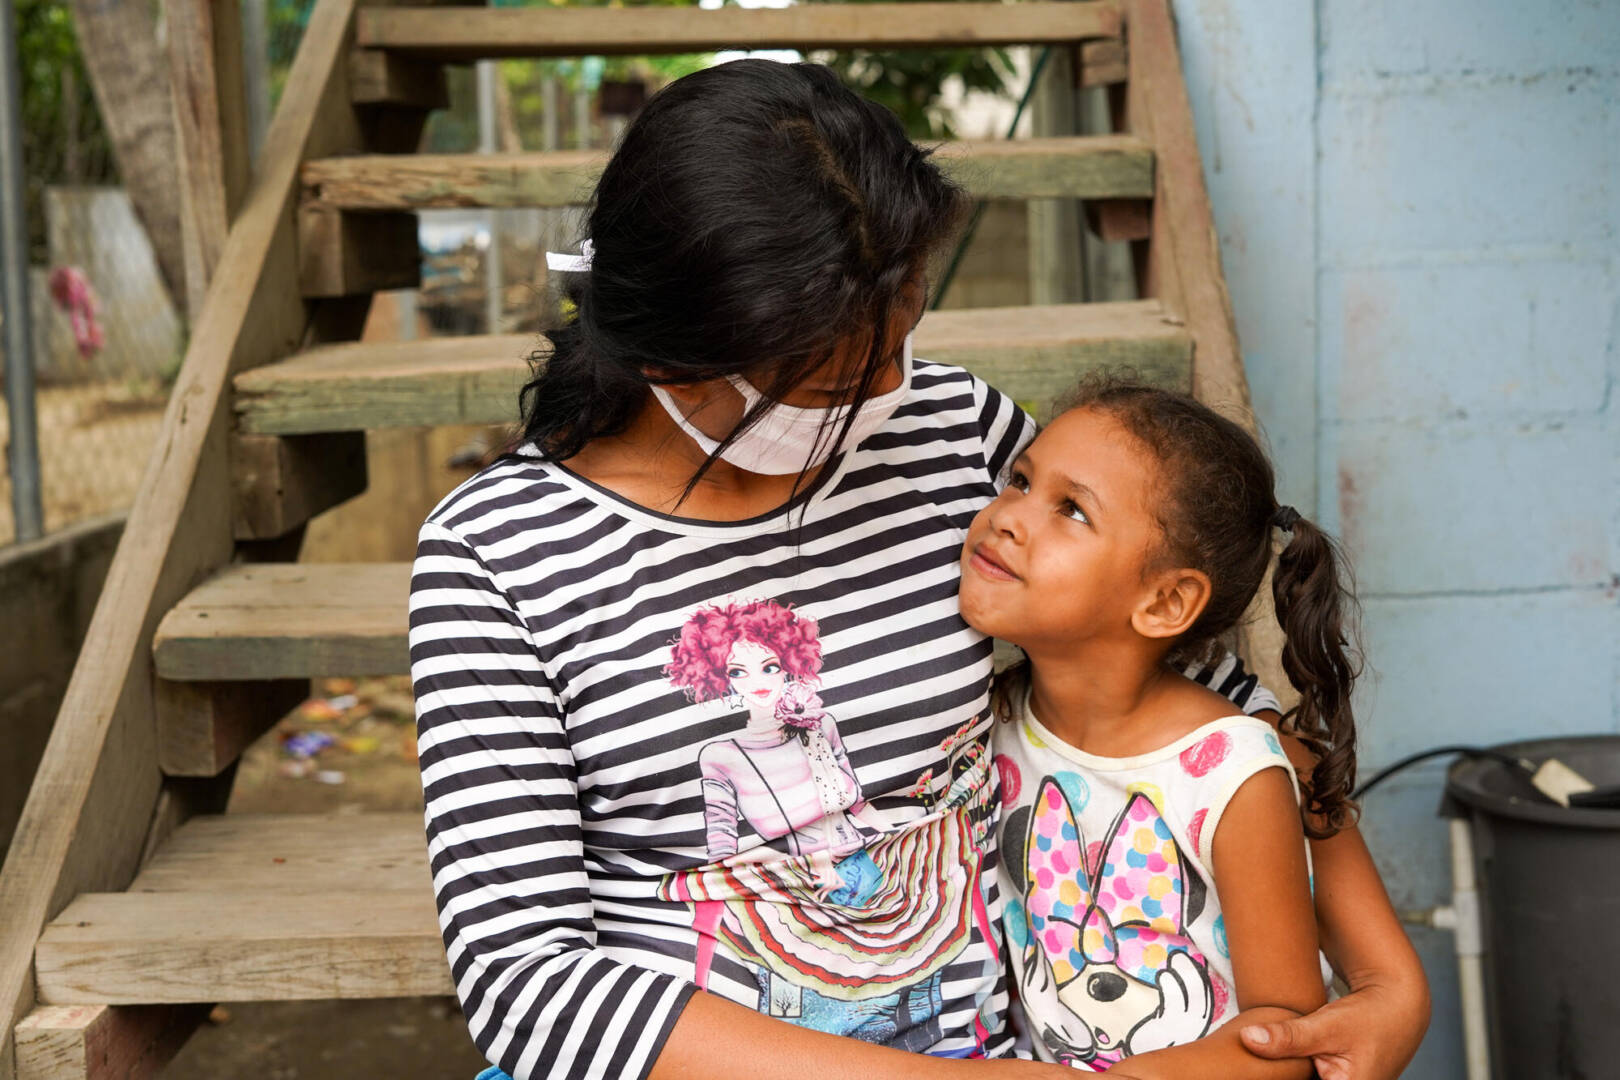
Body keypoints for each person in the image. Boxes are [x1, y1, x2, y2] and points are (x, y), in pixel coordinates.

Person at [410, 59, 1428, 1080]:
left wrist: (1388, 983)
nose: (896, 387)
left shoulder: (954, 436)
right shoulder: (495, 558)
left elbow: (1205, 705)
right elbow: (529, 984)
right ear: (680, 360)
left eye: (905, 330)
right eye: (846, 375)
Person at [962, 380, 1378, 1077]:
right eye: (1020, 481)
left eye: (1071, 510)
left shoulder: (1231, 773)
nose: (1008, 517)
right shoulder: (993, 723)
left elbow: (1286, 1035)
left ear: (1166, 602)